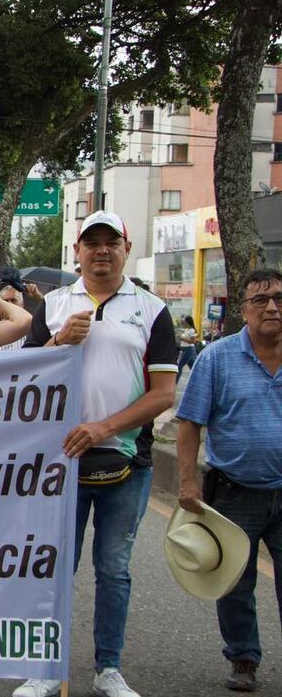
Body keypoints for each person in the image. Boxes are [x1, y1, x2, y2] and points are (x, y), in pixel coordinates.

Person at [14, 211, 178, 697]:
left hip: (126, 461)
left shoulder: (152, 310)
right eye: (92, 242)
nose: (101, 251)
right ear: (77, 252)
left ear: (126, 248)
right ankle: (45, 669)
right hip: (58, 463)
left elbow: (164, 393)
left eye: (111, 242)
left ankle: (109, 668)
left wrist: (103, 427)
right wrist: (60, 340)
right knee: (55, 566)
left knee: (113, 569)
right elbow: (25, 374)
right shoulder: (56, 305)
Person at [176, 268, 282, 693]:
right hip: (235, 492)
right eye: (260, 300)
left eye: (278, 297)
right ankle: (243, 658)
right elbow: (189, 425)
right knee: (235, 582)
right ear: (243, 311)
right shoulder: (216, 358)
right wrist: (186, 483)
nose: (272, 306)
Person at [176, 315, 199, 382]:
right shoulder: (186, 330)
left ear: (188, 322)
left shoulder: (192, 330)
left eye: (184, 322)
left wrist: (182, 338)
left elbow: (192, 341)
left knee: (179, 366)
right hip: (184, 350)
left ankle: (175, 382)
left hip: (188, 350)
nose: (183, 323)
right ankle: (197, 380)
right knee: (193, 367)